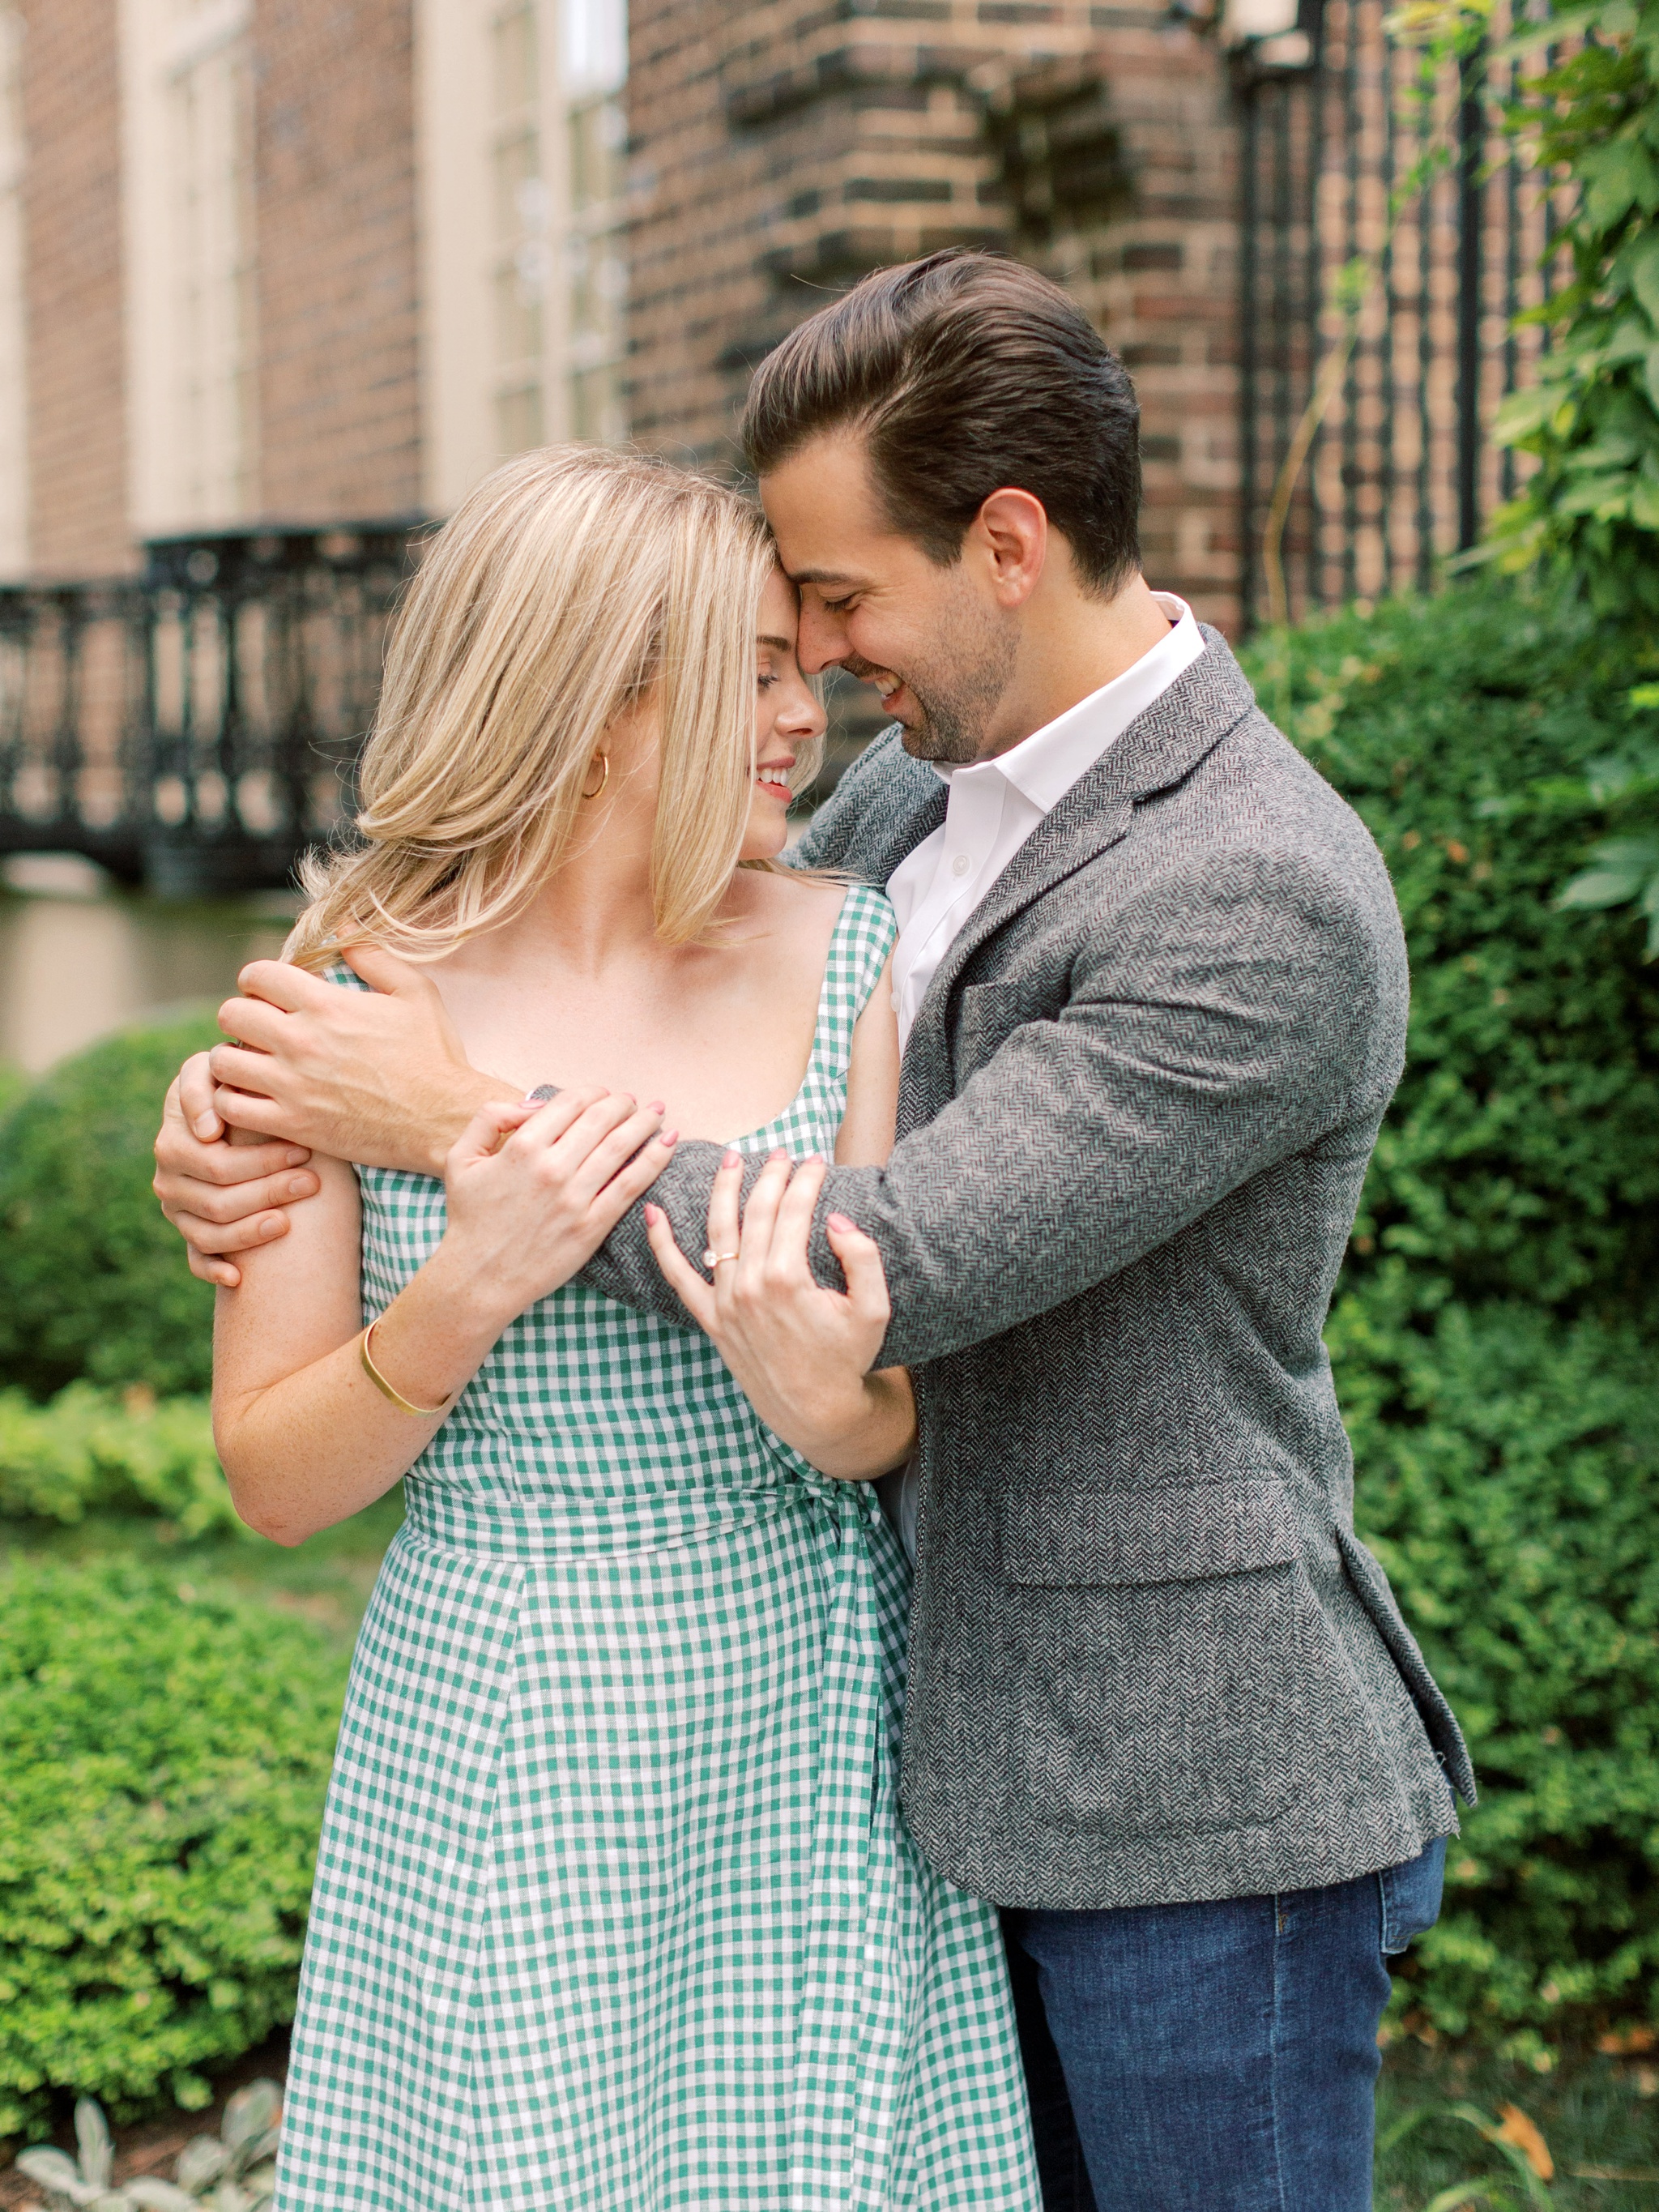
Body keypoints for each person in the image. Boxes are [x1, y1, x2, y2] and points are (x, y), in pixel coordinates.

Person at [156, 253, 1473, 2212]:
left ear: (1006, 543)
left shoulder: (1251, 886)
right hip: (865, 1741)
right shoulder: (891, 810)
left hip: (1174, 1787)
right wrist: (242, 1117)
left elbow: (880, 1258)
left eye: (839, 606)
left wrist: (443, 1128)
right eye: (775, 644)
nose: (822, 673)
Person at [205, 443, 1043, 2212]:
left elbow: (882, 1413)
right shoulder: (351, 997)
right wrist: (460, 1294)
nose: (803, 716)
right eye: (745, 672)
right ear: (587, 694)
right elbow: (276, 1482)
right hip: (509, 1700)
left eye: (802, 666)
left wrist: (842, 1413)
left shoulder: (848, 951)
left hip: (810, 1692)